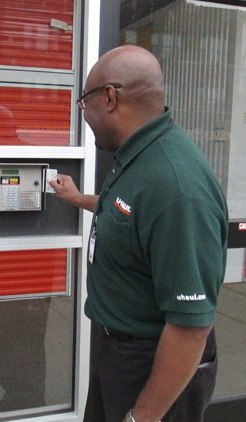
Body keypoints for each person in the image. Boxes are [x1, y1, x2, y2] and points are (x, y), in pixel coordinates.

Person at [48, 45, 228, 422]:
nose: (85, 116)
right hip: (118, 352)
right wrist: (79, 198)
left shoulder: (177, 186)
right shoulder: (138, 155)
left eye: (85, 104)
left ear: (109, 97)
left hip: (154, 365)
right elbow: (128, 215)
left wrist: (141, 418)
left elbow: (191, 327)